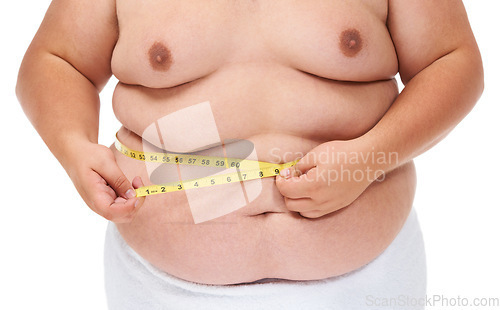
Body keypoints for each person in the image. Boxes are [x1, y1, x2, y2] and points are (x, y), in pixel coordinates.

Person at [16, 0, 483, 309]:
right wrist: (74, 147)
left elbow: (453, 60)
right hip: (163, 290)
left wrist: (370, 159)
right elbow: (57, 60)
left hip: (368, 285)